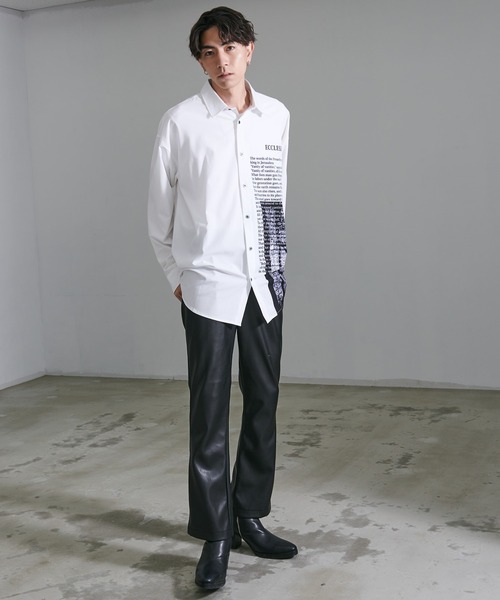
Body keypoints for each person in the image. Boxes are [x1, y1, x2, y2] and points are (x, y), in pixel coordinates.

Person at [148, 6, 297, 590]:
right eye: (209, 51)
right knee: (208, 412)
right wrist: (176, 276)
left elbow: (275, 196)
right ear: (200, 59)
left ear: (249, 49)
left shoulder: (276, 115)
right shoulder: (181, 121)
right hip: (207, 285)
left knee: (264, 401)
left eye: (231, 48)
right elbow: (158, 212)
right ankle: (215, 535)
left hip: (264, 282)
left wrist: (276, 265)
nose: (222, 60)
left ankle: (249, 516)